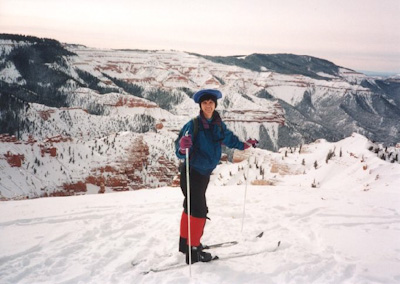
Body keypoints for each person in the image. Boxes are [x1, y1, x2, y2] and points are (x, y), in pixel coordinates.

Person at [175, 89, 258, 264]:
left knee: (190, 207)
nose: (208, 105)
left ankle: (185, 244)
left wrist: (244, 145)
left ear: (215, 105)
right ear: (200, 105)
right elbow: (180, 150)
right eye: (205, 102)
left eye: (211, 102)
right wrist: (183, 148)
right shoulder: (193, 124)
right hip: (191, 173)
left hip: (203, 174)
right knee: (199, 211)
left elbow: (230, 139)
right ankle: (194, 252)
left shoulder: (218, 125)